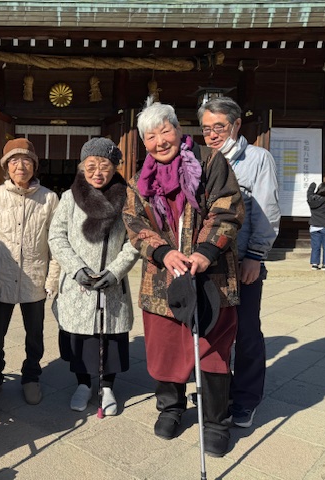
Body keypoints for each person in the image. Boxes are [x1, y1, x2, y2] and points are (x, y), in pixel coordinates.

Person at [123, 98, 244, 457]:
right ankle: (171, 408)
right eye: (151, 136)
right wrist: (163, 252)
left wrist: (205, 251)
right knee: (165, 348)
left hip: (212, 275)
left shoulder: (211, 162)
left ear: (178, 130)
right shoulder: (138, 181)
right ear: (143, 143)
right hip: (163, 279)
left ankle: (215, 421)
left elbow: (228, 209)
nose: (160, 141)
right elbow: (134, 224)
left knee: (213, 350)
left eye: (165, 131)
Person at [198, 97, 281, 429]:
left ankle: (246, 399)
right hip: (210, 264)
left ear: (236, 125)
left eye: (219, 126)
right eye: (206, 128)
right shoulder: (202, 161)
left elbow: (267, 210)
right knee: (213, 331)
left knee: (246, 332)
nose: (212, 134)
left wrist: (256, 256)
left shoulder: (258, 159)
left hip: (243, 261)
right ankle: (218, 393)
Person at [48, 138, 139, 415]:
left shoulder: (127, 198)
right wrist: (76, 269)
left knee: (111, 338)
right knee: (81, 339)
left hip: (111, 282)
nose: (97, 172)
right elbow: (57, 236)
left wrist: (115, 271)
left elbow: (134, 240)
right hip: (79, 283)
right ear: (82, 167)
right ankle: (83, 384)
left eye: (104, 166)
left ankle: (108, 387)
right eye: (91, 166)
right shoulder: (69, 198)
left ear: (114, 168)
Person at [0, 138, 59, 405]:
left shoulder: (49, 198)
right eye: (14, 161)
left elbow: (56, 242)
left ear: (34, 165)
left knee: (35, 335)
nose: (20, 166)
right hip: (0, 277)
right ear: (6, 167)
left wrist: (53, 278)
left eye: (26, 160)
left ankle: (31, 377)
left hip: (34, 277)